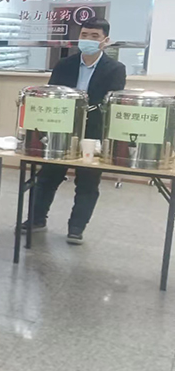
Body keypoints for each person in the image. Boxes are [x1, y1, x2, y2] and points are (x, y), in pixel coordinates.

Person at [25, 17, 126, 244]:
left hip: (93, 132)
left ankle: (76, 228)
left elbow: (111, 103)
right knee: (47, 176)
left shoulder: (115, 69)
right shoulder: (64, 65)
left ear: (105, 40)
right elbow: (50, 95)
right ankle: (36, 220)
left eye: (94, 36)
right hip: (61, 129)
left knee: (88, 182)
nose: (88, 40)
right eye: (84, 35)